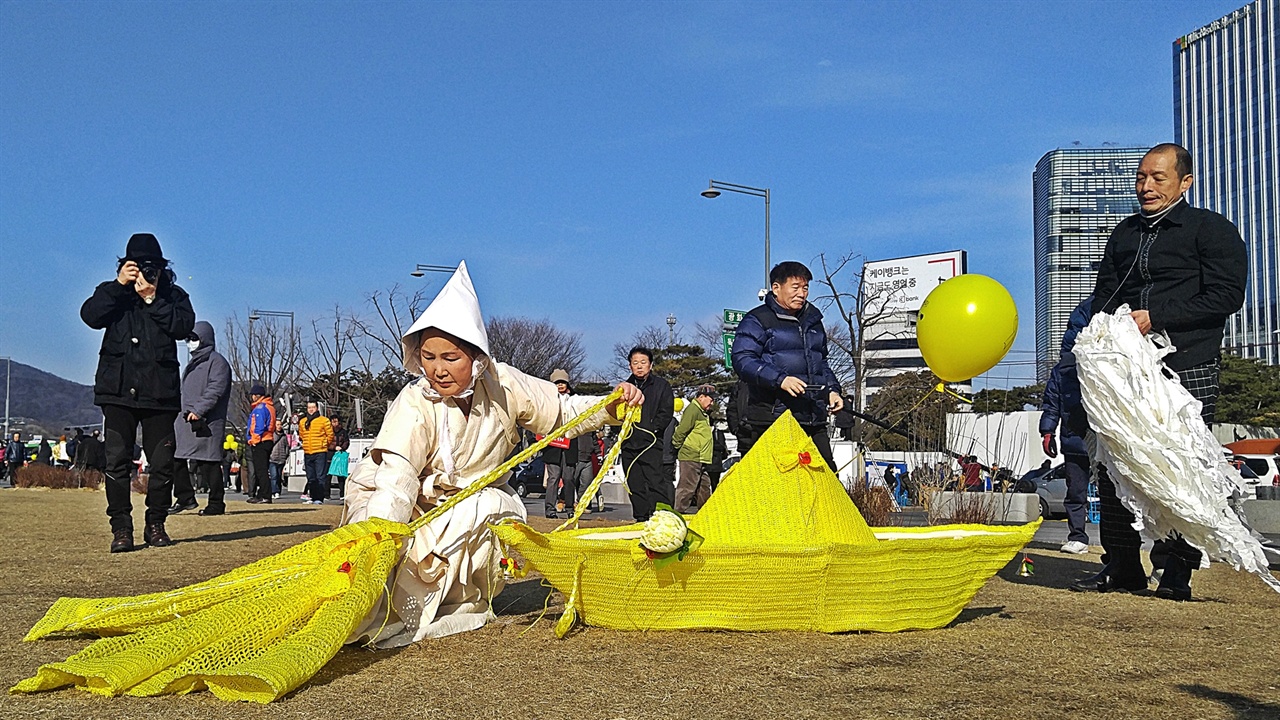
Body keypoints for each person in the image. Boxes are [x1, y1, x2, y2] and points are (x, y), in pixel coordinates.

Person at [342, 262, 641, 646]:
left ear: (476, 357)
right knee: (380, 564)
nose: (437, 369)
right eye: (429, 357)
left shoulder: (504, 383)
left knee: (493, 507)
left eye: (450, 358)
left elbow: (561, 412)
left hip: (470, 503)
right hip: (403, 504)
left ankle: (463, 601)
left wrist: (610, 407)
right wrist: (378, 540)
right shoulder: (414, 401)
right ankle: (390, 604)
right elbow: (396, 480)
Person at [1079, 142, 1248, 601]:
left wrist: (1157, 316)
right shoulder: (1124, 233)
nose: (1147, 186)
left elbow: (1226, 297)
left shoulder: (1212, 230)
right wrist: (1103, 337)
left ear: (1184, 182)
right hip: (1126, 371)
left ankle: (1176, 572)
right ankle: (1120, 565)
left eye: (1158, 177)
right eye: (1141, 177)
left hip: (1187, 364)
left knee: (1179, 468)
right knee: (1116, 462)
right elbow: (1104, 296)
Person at [80, 232, 195, 552]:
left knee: (163, 463)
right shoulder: (113, 292)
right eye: (139, 266)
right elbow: (90, 316)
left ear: (161, 267)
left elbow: (184, 327)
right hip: (117, 390)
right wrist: (120, 286)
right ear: (125, 265)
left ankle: (156, 524)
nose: (146, 272)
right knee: (116, 463)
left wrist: (152, 299)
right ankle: (121, 529)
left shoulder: (173, 295)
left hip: (159, 392)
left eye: (152, 266)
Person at [731, 261, 844, 468]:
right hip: (773, 418)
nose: (801, 293)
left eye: (805, 288)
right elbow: (742, 359)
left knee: (826, 480)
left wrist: (832, 391)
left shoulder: (814, 322)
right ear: (776, 288)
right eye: (795, 287)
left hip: (813, 417)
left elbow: (822, 363)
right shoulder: (757, 319)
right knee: (777, 487)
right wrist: (780, 379)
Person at [1040, 297, 1094, 555]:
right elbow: (1052, 400)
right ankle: (1077, 537)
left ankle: (1123, 546)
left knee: (1116, 492)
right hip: (1074, 435)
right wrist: (1047, 431)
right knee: (1076, 492)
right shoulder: (1064, 368)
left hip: (1105, 436)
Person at [167, 321, 232, 517]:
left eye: (194, 338)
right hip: (186, 421)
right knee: (176, 458)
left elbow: (215, 390)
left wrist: (199, 410)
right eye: (188, 338)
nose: (190, 342)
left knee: (209, 463)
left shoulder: (217, 362)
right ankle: (185, 497)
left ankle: (216, 503)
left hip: (206, 422)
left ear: (204, 339)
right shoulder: (194, 363)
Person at [619, 346, 674, 522]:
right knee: (635, 483)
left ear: (650, 365)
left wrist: (654, 429)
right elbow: (615, 414)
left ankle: (663, 518)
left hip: (651, 442)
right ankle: (641, 518)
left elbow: (666, 412)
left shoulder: (661, 386)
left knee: (655, 482)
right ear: (630, 366)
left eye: (643, 362)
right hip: (629, 443)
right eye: (635, 363)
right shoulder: (623, 389)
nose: (639, 366)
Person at [542, 369, 579, 518]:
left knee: (569, 478)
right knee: (553, 478)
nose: (560, 385)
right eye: (557, 383)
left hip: (570, 442)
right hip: (552, 444)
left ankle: (570, 508)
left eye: (562, 382)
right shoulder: (545, 400)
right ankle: (550, 509)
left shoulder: (575, 399)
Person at [672, 385, 715, 512]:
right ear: (701, 397)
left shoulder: (701, 412)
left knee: (704, 487)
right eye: (711, 399)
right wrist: (677, 446)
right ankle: (678, 514)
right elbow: (681, 430)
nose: (712, 403)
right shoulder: (693, 410)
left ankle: (706, 514)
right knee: (687, 487)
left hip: (701, 457)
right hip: (692, 455)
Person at [297, 400, 333, 504]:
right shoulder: (303, 421)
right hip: (308, 451)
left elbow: (330, 435)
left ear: (317, 408)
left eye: (313, 407)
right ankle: (312, 497)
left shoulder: (324, 420)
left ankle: (319, 498)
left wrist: (324, 443)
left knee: (320, 476)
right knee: (311, 477)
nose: (311, 409)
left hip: (320, 451)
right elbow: (302, 435)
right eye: (309, 407)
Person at [245, 384, 276, 505]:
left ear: (256, 396)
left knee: (261, 470)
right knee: (262, 469)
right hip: (268, 439)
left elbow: (258, 426)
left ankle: (265, 495)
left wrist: (254, 440)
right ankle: (261, 494)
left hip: (261, 441)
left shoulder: (260, 408)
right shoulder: (270, 406)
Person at [327, 416, 350, 499]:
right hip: (329, 454)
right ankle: (326, 494)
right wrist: (333, 447)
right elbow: (326, 442)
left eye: (336, 422)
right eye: (332, 422)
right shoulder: (328, 431)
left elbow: (346, 442)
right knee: (328, 475)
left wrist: (342, 448)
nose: (334, 424)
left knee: (341, 475)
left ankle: (342, 494)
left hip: (340, 454)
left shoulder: (343, 432)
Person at [269, 418, 289, 499]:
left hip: (281, 459)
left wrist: (285, 455)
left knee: (279, 476)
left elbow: (287, 446)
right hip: (272, 459)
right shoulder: (272, 435)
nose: (279, 426)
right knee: (274, 476)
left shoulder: (284, 436)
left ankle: (278, 490)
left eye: (280, 424)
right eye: (277, 424)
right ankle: (274, 491)